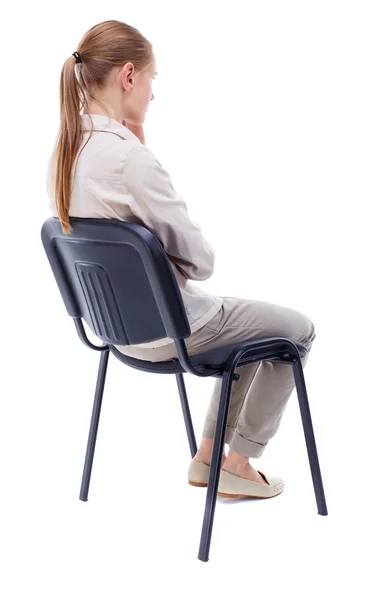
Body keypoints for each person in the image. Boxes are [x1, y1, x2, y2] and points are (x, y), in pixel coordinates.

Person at [46, 19, 316, 500]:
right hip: (173, 332)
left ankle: (208, 457)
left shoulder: (63, 154)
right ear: (129, 76)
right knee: (294, 331)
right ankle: (238, 462)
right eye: (152, 80)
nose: (152, 94)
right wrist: (143, 158)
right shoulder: (129, 159)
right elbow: (200, 261)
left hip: (113, 334)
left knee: (252, 329)